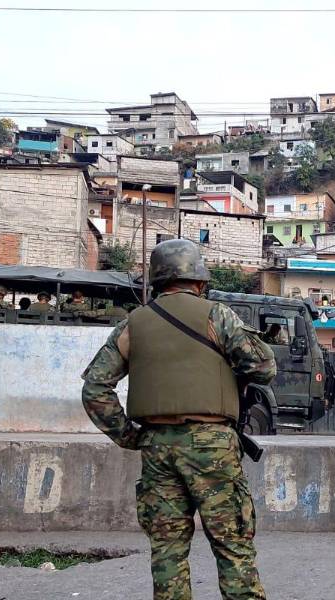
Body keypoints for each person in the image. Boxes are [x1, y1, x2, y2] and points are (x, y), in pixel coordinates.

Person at [82, 239, 276, 600]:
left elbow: (95, 388)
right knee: (233, 545)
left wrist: (130, 436)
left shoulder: (133, 324)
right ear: (201, 281)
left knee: (168, 550)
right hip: (212, 447)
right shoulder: (217, 315)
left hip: (157, 448)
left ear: (156, 282)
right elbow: (264, 368)